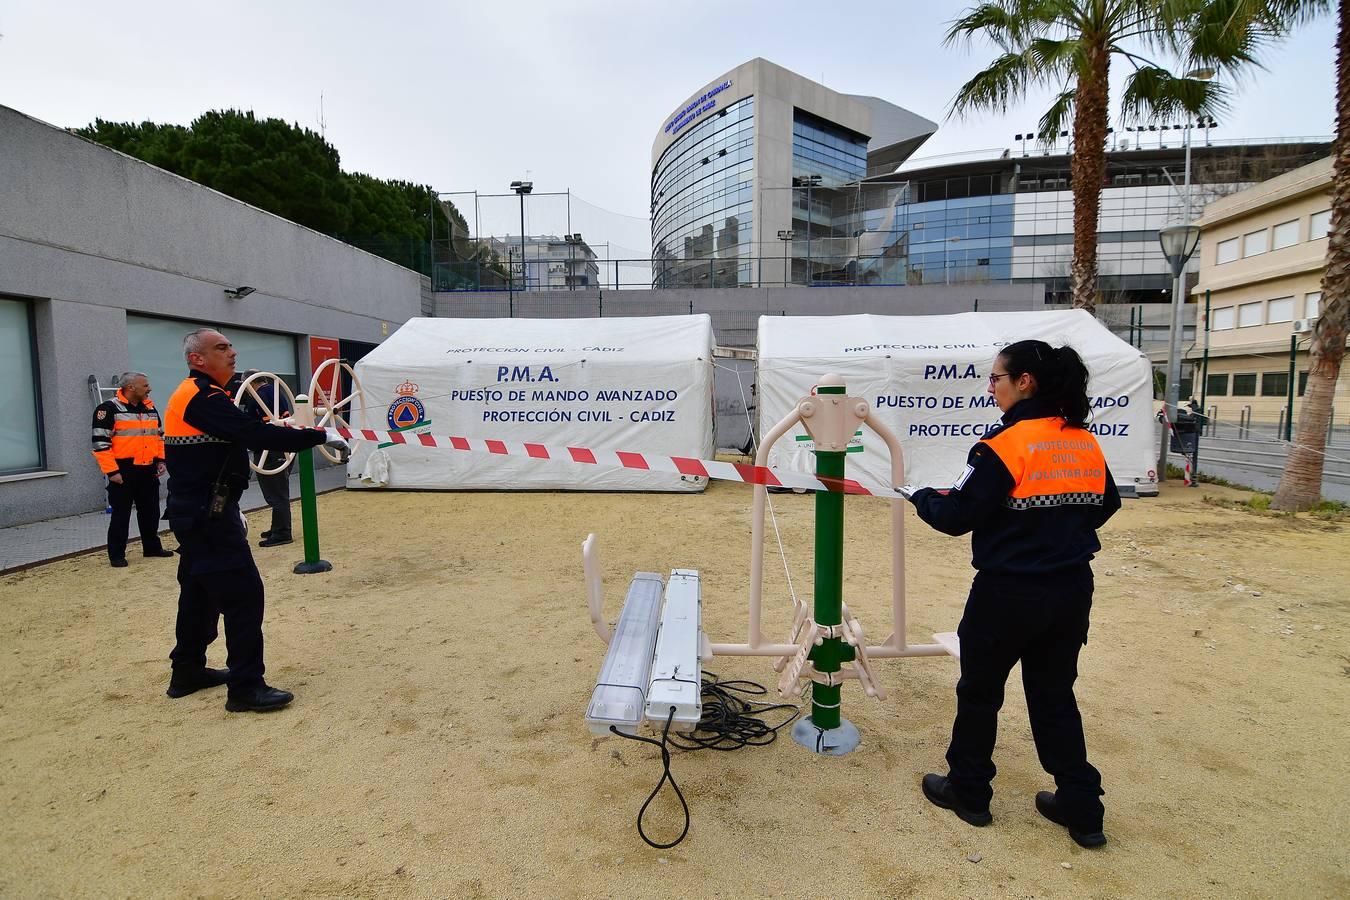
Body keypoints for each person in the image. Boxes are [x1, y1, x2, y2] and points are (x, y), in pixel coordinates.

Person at [899, 339, 1121, 848]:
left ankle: (970, 792)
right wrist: (1056, 534)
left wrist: (922, 498)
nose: (991, 387)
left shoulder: (1004, 444)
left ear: (1025, 382)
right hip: (1070, 589)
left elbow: (957, 516)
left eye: (996, 378)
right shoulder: (1083, 441)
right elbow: (1105, 503)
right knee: (1054, 696)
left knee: (979, 693)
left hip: (1007, 592)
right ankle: (1082, 809)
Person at [163, 328, 340, 712]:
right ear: (197, 359)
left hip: (196, 512)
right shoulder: (202, 396)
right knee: (243, 596)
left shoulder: (205, 395)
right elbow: (251, 433)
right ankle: (245, 687)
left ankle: (187, 671)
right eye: (221, 348)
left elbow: (247, 429)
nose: (232, 352)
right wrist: (318, 435)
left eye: (230, 346)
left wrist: (292, 429)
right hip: (207, 515)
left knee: (198, 595)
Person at [90, 372, 175, 567]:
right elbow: (100, 445)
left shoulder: (150, 407)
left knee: (151, 511)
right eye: (145, 385)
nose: (149, 388)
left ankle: (152, 548)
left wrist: (161, 460)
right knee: (121, 515)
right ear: (130, 388)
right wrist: (112, 472)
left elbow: (159, 436)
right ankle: (117, 554)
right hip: (123, 470)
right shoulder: (108, 409)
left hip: (148, 469)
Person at [235, 370, 295, 547]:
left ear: (249, 383)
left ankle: (282, 533)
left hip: (270, 450)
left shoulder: (257, 397)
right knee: (279, 490)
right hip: (283, 446)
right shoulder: (276, 392)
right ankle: (277, 527)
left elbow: (260, 425)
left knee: (276, 494)